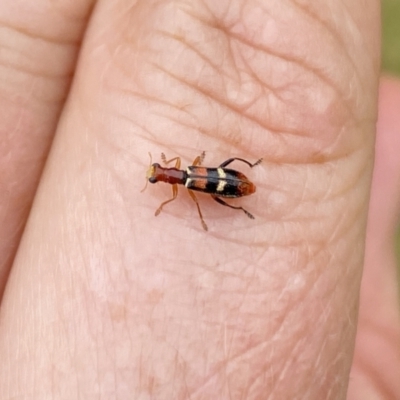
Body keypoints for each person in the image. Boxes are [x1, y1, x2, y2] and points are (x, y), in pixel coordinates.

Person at [0, 1, 399, 398]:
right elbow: (187, 189)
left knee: (225, 186)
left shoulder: (187, 182)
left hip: (230, 180)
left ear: (168, 173)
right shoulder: (186, 178)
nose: (161, 175)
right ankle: (241, 198)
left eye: (159, 173)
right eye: (159, 175)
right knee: (222, 188)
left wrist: (188, 201)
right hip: (225, 180)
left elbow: (189, 194)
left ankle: (243, 196)